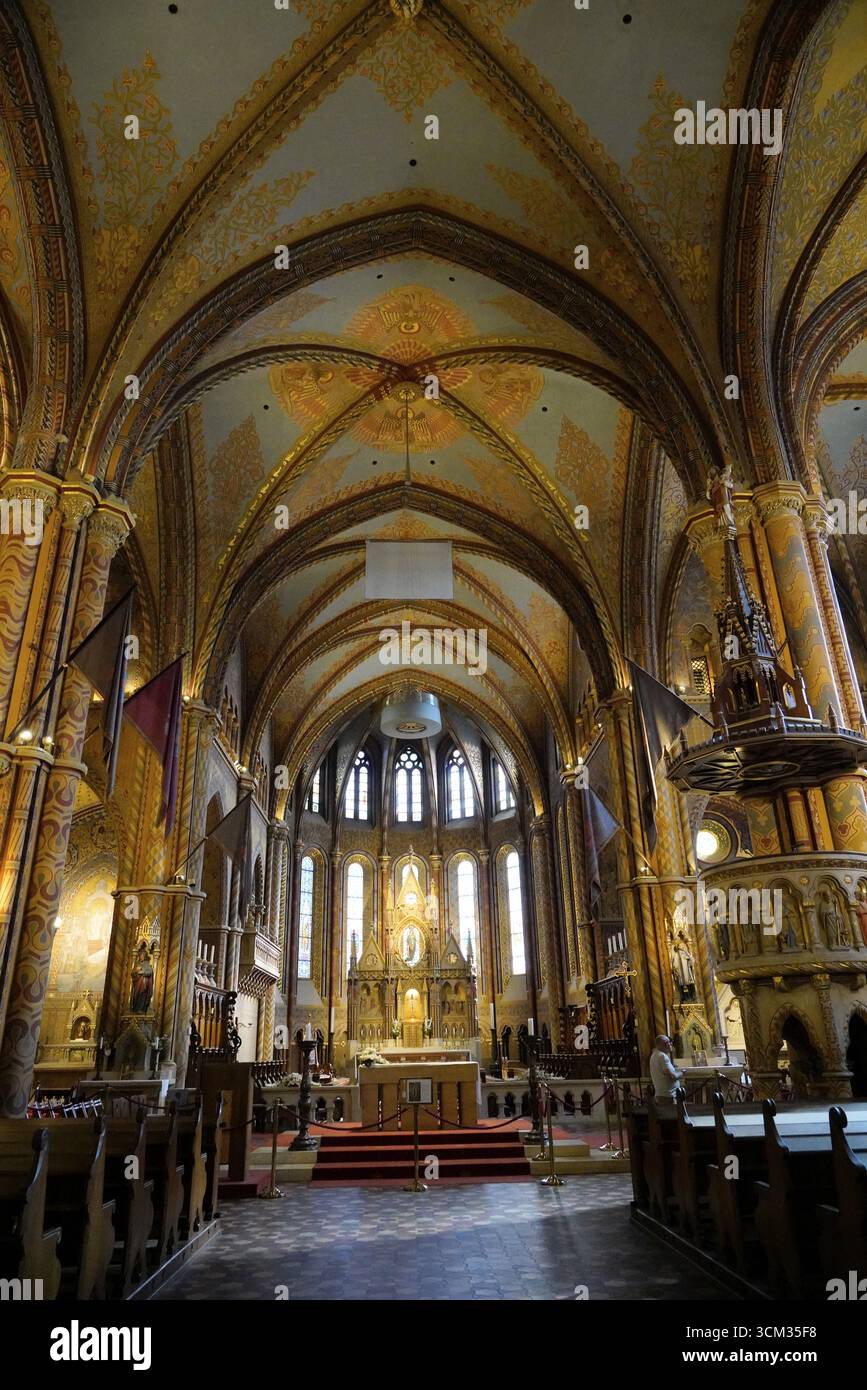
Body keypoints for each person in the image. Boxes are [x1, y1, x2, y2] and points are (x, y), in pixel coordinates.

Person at [649, 1034, 682, 1101]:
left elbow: (663, 1071)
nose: (670, 1044)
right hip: (668, 1096)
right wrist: (682, 1072)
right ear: (660, 1045)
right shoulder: (662, 1056)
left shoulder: (654, 1055)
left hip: (662, 1094)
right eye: (667, 1043)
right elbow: (672, 1077)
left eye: (669, 1042)